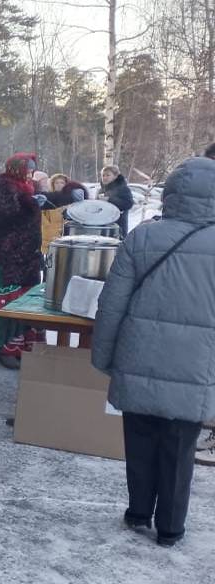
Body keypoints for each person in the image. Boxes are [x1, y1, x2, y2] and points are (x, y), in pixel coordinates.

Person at [91, 156, 215, 547]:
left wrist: (104, 357)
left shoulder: (143, 237)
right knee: (179, 449)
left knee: (140, 440)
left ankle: (138, 512)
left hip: (139, 356)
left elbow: (112, 304)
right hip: (195, 366)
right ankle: (171, 528)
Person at [0, 153, 45, 370]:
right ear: (17, 168)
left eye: (32, 169)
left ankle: (26, 348)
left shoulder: (28, 187)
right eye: (28, 168)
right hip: (8, 257)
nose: (31, 173)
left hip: (28, 256)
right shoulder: (4, 187)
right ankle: (6, 348)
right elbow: (6, 215)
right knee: (8, 301)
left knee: (27, 302)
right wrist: (31, 204)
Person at [97, 165, 135, 236]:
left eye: (108, 175)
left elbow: (129, 204)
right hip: (103, 226)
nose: (105, 178)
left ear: (115, 176)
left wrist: (110, 200)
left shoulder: (123, 189)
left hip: (118, 227)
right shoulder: (101, 190)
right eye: (103, 175)